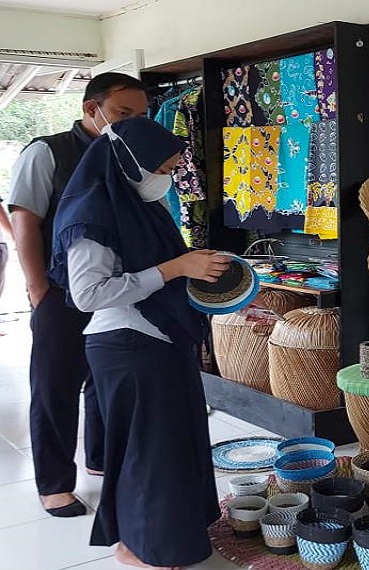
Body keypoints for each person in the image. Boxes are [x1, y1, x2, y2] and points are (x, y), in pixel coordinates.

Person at [49, 116, 228, 568]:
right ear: (132, 162)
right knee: (150, 455)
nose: (166, 179)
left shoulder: (135, 201)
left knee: (167, 446)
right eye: (163, 169)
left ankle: (146, 538)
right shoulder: (92, 213)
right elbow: (88, 294)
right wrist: (175, 269)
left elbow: (163, 261)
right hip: (127, 344)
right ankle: (148, 549)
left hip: (157, 340)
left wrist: (199, 269)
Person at [6, 72, 149, 517]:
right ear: (92, 108)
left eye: (140, 116)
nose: (131, 123)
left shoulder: (127, 154)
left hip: (116, 289)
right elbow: (25, 221)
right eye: (123, 113)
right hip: (61, 290)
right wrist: (38, 288)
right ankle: (54, 484)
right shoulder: (47, 151)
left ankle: (100, 457)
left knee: (105, 374)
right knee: (55, 384)